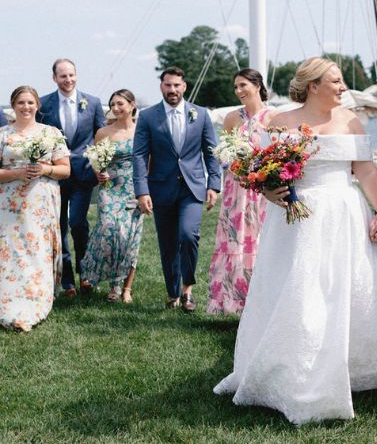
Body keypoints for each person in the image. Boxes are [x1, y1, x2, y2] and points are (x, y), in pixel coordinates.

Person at [214, 57, 377, 425]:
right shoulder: (280, 123)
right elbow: (260, 169)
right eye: (337, 81)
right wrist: (269, 190)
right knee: (299, 290)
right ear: (313, 86)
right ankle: (294, 371)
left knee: (345, 289)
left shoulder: (351, 120)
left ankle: (354, 368)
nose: (343, 88)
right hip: (295, 218)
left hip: (343, 213)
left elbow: (366, 170)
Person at [133, 66, 221, 311]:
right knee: (168, 243)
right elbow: (139, 155)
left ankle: (188, 290)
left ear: (184, 87)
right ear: (161, 86)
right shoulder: (148, 116)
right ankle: (173, 293)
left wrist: (214, 184)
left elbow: (211, 152)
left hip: (192, 188)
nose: (172, 90)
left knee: (187, 235)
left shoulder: (201, 114)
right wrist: (142, 190)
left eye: (176, 85)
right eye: (167, 85)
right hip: (160, 187)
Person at [0, 86, 70, 332]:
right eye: (21, 102)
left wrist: (45, 169)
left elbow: (65, 169)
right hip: (8, 206)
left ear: (37, 105)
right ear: (13, 105)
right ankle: (8, 307)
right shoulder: (3, 134)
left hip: (41, 206)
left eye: (30, 102)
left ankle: (35, 305)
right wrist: (17, 173)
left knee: (36, 250)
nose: (26, 107)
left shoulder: (50, 133)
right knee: (10, 252)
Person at [207, 69, 274, 315]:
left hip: (263, 190)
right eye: (235, 87)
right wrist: (231, 161)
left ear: (257, 85)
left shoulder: (274, 117)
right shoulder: (231, 119)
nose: (238, 91)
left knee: (261, 241)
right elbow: (224, 154)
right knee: (236, 241)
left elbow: (279, 155)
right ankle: (236, 301)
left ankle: (264, 304)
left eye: (243, 85)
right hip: (236, 190)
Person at [38, 58, 105, 296]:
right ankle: (66, 280)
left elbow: (101, 136)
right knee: (59, 226)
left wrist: (102, 164)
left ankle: (85, 273)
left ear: (77, 76)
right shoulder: (43, 104)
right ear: (54, 78)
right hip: (54, 176)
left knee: (78, 223)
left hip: (83, 174)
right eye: (63, 76)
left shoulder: (94, 102)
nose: (68, 80)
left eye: (71, 75)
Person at [80, 89, 144, 304]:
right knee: (108, 231)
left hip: (134, 189)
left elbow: (148, 162)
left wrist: (146, 191)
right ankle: (108, 280)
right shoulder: (103, 132)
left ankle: (125, 288)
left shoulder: (142, 131)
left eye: (120, 104)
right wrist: (99, 172)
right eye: (112, 105)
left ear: (132, 105)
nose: (116, 108)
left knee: (129, 237)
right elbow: (96, 161)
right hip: (109, 189)